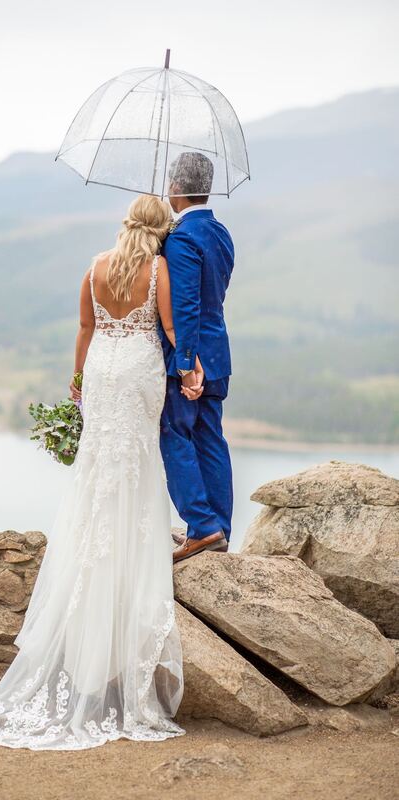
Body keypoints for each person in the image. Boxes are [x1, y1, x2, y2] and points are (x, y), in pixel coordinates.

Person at [0, 194, 188, 750]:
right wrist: (193, 368)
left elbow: (85, 328)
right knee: (136, 460)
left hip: (104, 369)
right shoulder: (159, 269)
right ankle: (138, 539)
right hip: (139, 371)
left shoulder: (95, 266)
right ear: (159, 230)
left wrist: (78, 380)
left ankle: (94, 558)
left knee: (100, 465)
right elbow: (171, 331)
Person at [160, 152, 235, 564]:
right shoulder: (221, 233)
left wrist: (186, 364)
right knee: (211, 439)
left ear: (176, 187)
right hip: (219, 352)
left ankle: (202, 528)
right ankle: (220, 527)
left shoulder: (182, 238)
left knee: (173, 433)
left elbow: (185, 304)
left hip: (191, 359)